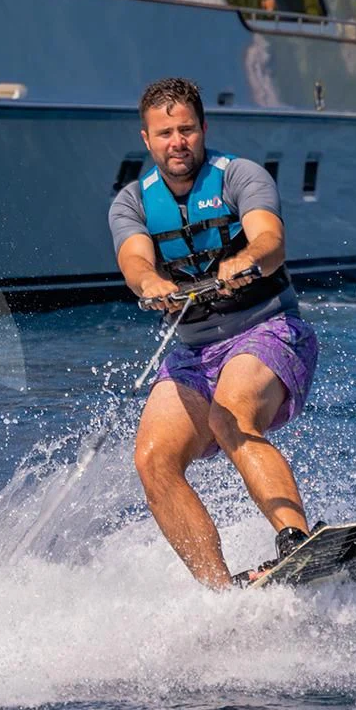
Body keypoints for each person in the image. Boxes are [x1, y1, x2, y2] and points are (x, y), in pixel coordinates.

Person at [108, 76, 322, 589]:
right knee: (153, 459)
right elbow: (135, 262)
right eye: (165, 134)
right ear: (147, 139)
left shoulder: (239, 176)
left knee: (231, 416)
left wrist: (247, 259)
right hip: (193, 352)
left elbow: (270, 239)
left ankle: (296, 542)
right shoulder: (132, 203)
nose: (176, 142)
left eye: (185, 130)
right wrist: (152, 283)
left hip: (267, 329)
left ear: (203, 128)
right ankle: (220, 592)